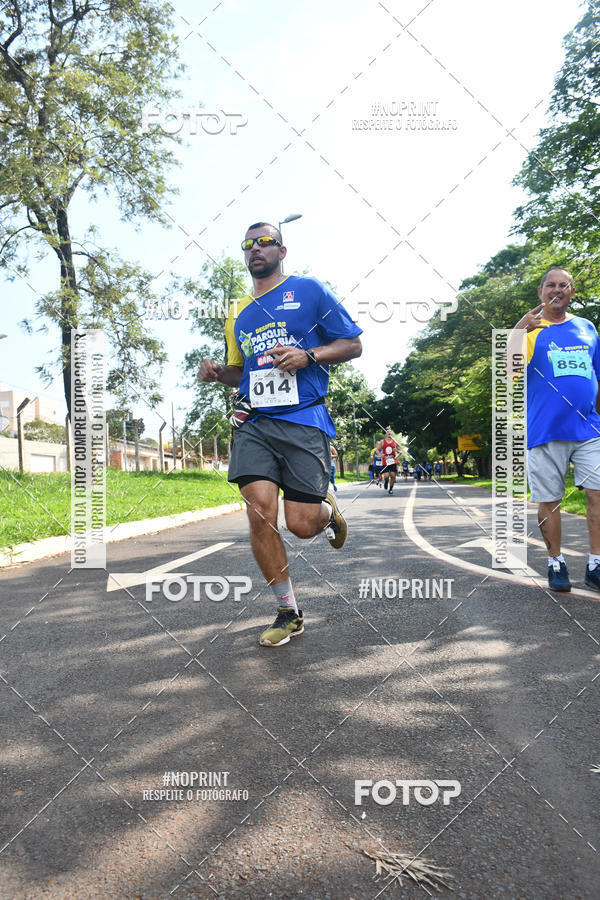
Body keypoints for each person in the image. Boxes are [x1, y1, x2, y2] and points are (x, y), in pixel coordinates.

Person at [198, 221, 362, 645]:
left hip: (304, 419)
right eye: (248, 244)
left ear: (282, 250)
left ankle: (327, 513)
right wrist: (219, 374)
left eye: (265, 242)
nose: (256, 249)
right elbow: (243, 373)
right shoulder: (238, 310)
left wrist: (309, 355)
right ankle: (287, 611)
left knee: (302, 526)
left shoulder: (309, 290)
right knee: (259, 512)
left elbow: (352, 344)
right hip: (255, 423)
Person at [513, 266, 600, 592]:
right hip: (546, 429)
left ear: (571, 292)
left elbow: (598, 376)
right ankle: (556, 562)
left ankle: (595, 565)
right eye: (551, 285)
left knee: (598, 493)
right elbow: (510, 370)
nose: (557, 289)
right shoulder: (530, 331)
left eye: (564, 285)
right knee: (550, 499)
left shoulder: (587, 328)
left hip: (589, 428)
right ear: (541, 292)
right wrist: (518, 331)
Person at [380, 427, 400, 494]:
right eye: (387, 432)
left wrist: (397, 450)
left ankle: (391, 489)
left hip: (392, 461)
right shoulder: (382, 441)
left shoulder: (395, 442)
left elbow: (399, 451)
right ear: (386, 434)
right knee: (386, 476)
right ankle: (386, 481)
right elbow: (378, 450)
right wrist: (381, 455)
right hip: (385, 461)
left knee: (393, 476)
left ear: (392, 433)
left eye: (390, 432)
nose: (389, 433)